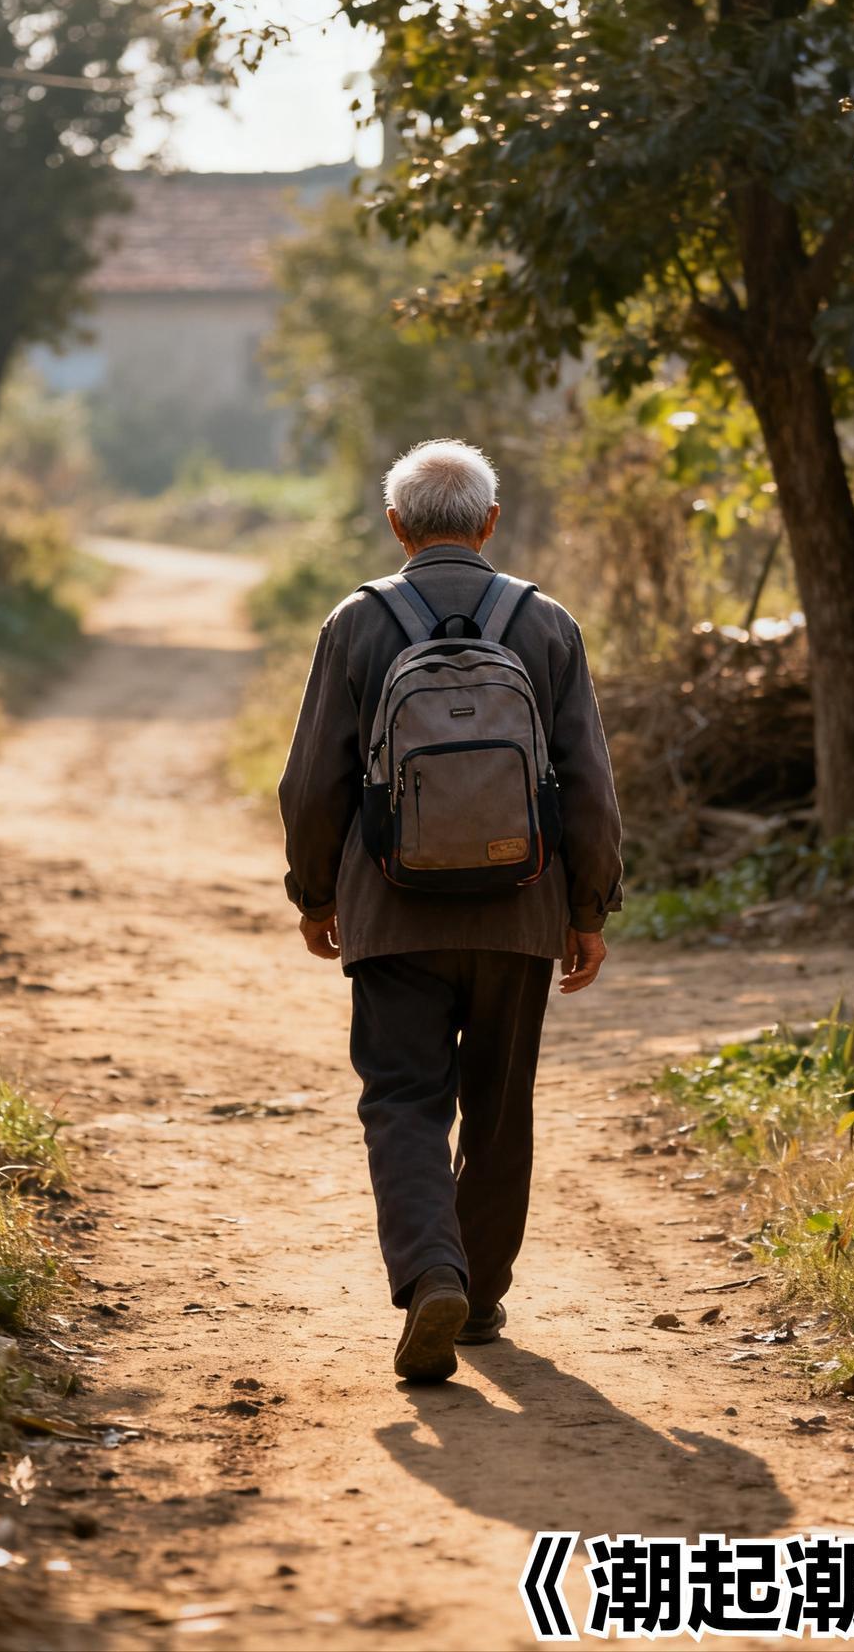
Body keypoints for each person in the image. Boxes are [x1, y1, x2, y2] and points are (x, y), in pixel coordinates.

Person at [279, 438, 623, 1383]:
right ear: (490, 524)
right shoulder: (544, 622)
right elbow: (589, 784)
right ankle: (479, 1295)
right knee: (499, 1106)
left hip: (392, 916)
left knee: (402, 1100)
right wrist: (586, 909)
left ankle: (432, 1271)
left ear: (396, 526)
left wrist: (316, 894)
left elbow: (312, 781)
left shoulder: (356, 623)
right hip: (521, 911)